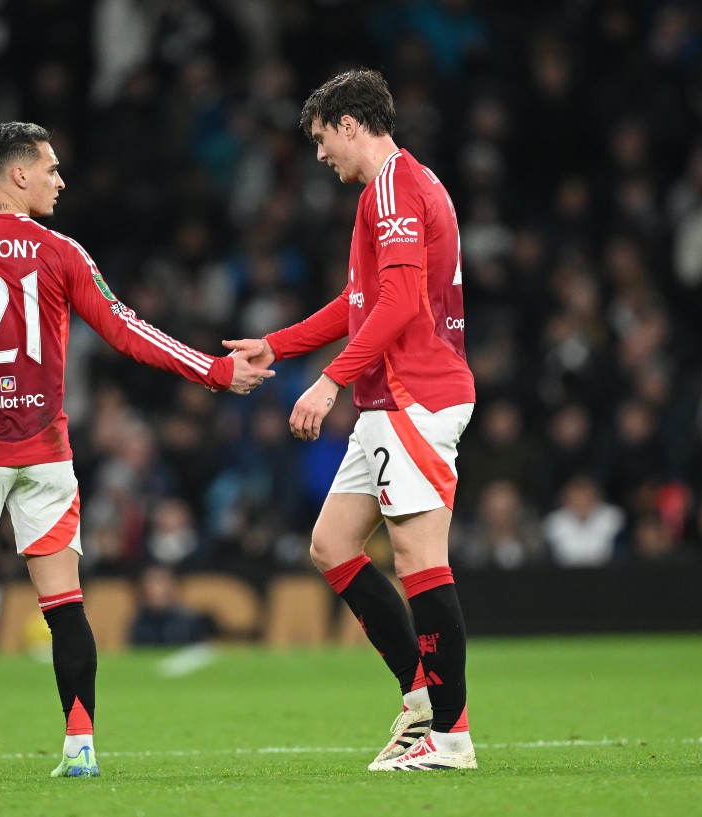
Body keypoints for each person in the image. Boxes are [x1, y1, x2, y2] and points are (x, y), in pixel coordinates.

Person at [0, 121, 273, 781]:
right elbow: (125, 329)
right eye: (52, 169)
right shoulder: (62, 253)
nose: (62, 181)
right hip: (47, 451)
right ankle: (80, 745)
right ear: (18, 173)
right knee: (63, 603)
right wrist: (215, 370)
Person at [225, 68, 478, 771]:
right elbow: (361, 302)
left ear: (349, 124)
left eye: (320, 139)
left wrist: (328, 380)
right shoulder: (394, 191)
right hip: (388, 398)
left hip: (414, 395)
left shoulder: (396, 185)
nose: (318, 155)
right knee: (332, 544)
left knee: (419, 559)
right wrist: (279, 344)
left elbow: (397, 305)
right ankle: (421, 698)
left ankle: (450, 736)